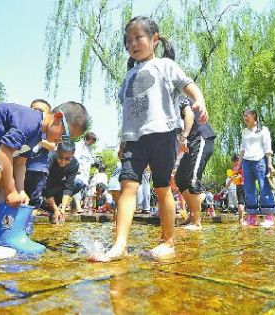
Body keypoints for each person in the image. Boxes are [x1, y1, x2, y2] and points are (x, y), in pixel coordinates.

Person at [91, 16, 208, 262]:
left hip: (163, 134)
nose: (133, 43)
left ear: (154, 40)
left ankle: (168, 241)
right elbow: (128, 111)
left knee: (163, 187)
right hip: (134, 139)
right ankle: (120, 244)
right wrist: (123, 139)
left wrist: (200, 100)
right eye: (128, 40)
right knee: (128, 187)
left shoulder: (165, 65)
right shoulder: (128, 77)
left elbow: (188, 85)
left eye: (138, 37)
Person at [0, 101, 90, 258]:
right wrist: (11, 191)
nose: (61, 142)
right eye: (65, 135)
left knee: (1, 187)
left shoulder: (37, 136)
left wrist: (19, 190)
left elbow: (20, 163)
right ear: (57, 117)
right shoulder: (30, 122)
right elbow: (4, 154)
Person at [174, 97, 215, 230]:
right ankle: (192, 216)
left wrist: (184, 137)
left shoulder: (180, 99)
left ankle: (197, 222)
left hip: (200, 138)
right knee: (180, 179)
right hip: (191, 142)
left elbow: (190, 115)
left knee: (192, 180)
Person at [238, 109, 275, 227]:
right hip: (246, 162)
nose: (245, 118)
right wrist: (238, 164)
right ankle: (252, 216)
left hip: (260, 161)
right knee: (249, 190)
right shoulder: (245, 131)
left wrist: (270, 164)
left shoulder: (263, 130)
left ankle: (269, 216)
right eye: (244, 116)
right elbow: (242, 148)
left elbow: (267, 148)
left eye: (247, 116)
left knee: (264, 188)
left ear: (254, 115)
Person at [23, 99, 57, 210]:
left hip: (39, 169)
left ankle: (30, 220)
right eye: (34, 110)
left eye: (40, 111)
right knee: (21, 194)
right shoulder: (24, 126)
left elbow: (53, 146)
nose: (36, 113)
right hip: (23, 167)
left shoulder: (47, 130)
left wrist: (37, 139)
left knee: (35, 197)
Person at [41, 142, 84, 224]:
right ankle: (48, 206)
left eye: (67, 159)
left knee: (79, 183)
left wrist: (63, 209)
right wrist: (55, 209)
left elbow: (69, 187)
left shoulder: (74, 164)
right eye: (60, 157)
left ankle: (55, 207)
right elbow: (46, 185)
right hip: (44, 187)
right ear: (57, 153)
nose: (63, 161)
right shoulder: (49, 158)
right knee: (42, 184)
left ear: (72, 155)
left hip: (57, 186)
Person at [73, 132, 97, 213]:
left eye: (93, 141)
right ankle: (78, 207)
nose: (92, 143)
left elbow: (92, 160)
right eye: (91, 141)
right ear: (86, 139)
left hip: (86, 172)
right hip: (79, 171)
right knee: (77, 187)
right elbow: (76, 157)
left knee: (81, 188)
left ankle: (74, 208)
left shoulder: (89, 148)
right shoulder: (78, 145)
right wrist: (77, 167)